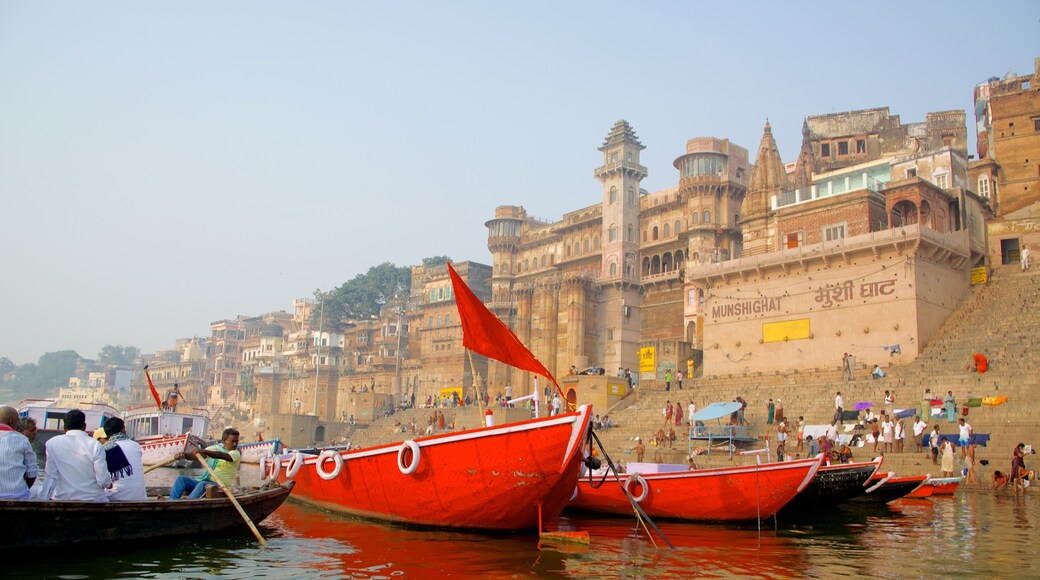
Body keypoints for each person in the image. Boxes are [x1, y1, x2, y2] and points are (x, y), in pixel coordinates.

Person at [44, 409, 111, 501]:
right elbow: (103, 481)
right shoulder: (95, 444)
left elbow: (51, 476)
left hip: (63, 500)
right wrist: (109, 484)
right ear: (84, 426)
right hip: (93, 501)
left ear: (65, 428)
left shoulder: (52, 443)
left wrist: (43, 499)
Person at [170, 428, 241, 500]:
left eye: (236, 441)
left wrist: (204, 451)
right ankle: (172, 501)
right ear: (224, 440)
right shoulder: (214, 449)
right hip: (203, 482)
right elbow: (198, 457)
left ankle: (187, 503)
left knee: (203, 484)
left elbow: (220, 455)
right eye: (233, 441)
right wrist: (183, 455)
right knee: (181, 479)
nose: (235, 444)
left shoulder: (235, 453)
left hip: (219, 486)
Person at [100, 417, 145, 501]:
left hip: (116, 499)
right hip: (140, 497)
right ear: (123, 430)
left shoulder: (103, 449)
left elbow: (103, 481)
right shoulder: (135, 445)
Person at [0, 406, 38, 500]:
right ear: (11, 421)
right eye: (17, 421)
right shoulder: (22, 440)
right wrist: (22, 489)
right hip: (17, 495)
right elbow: (32, 473)